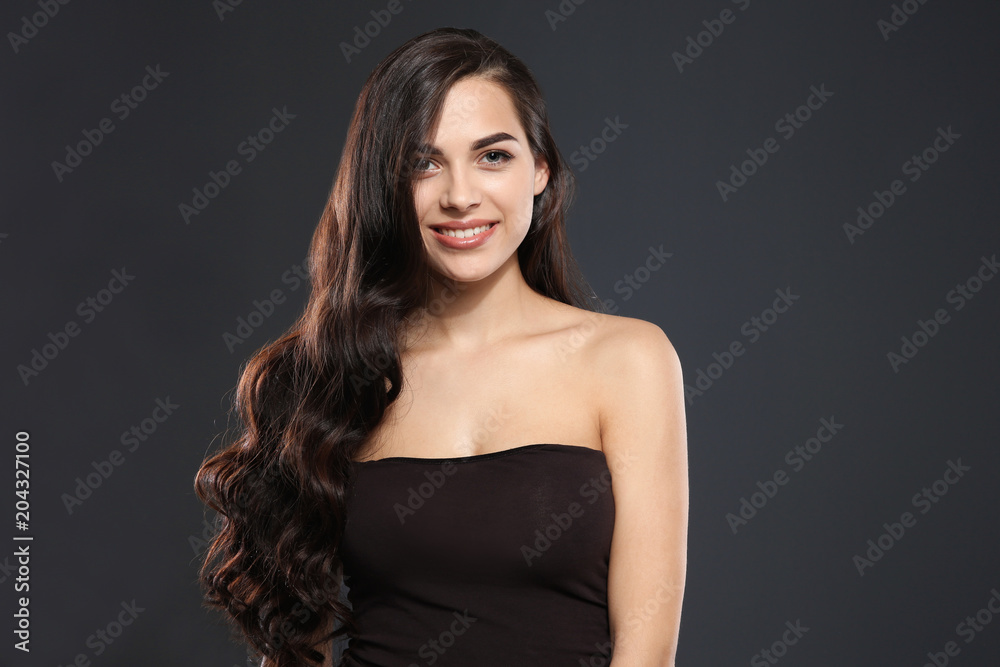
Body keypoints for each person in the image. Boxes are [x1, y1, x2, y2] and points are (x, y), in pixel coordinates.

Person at [194, 26, 688, 667]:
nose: (460, 196)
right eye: (423, 163)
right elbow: (296, 648)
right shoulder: (321, 377)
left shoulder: (628, 361)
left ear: (540, 170)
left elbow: (646, 651)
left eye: (493, 156)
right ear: (385, 185)